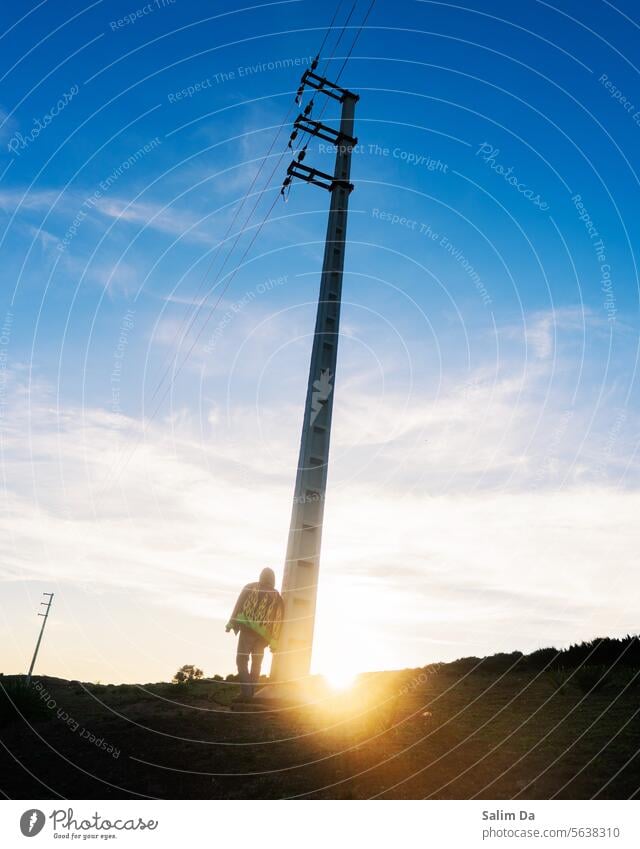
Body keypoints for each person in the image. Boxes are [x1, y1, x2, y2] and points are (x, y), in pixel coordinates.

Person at [226, 567, 284, 701]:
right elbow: (279, 620)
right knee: (256, 664)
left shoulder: (251, 587)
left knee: (241, 660)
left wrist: (231, 623)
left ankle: (246, 693)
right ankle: (250, 694)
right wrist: (274, 641)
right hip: (264, 637)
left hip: (248, 630)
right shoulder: (277, 598)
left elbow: (239, 604)